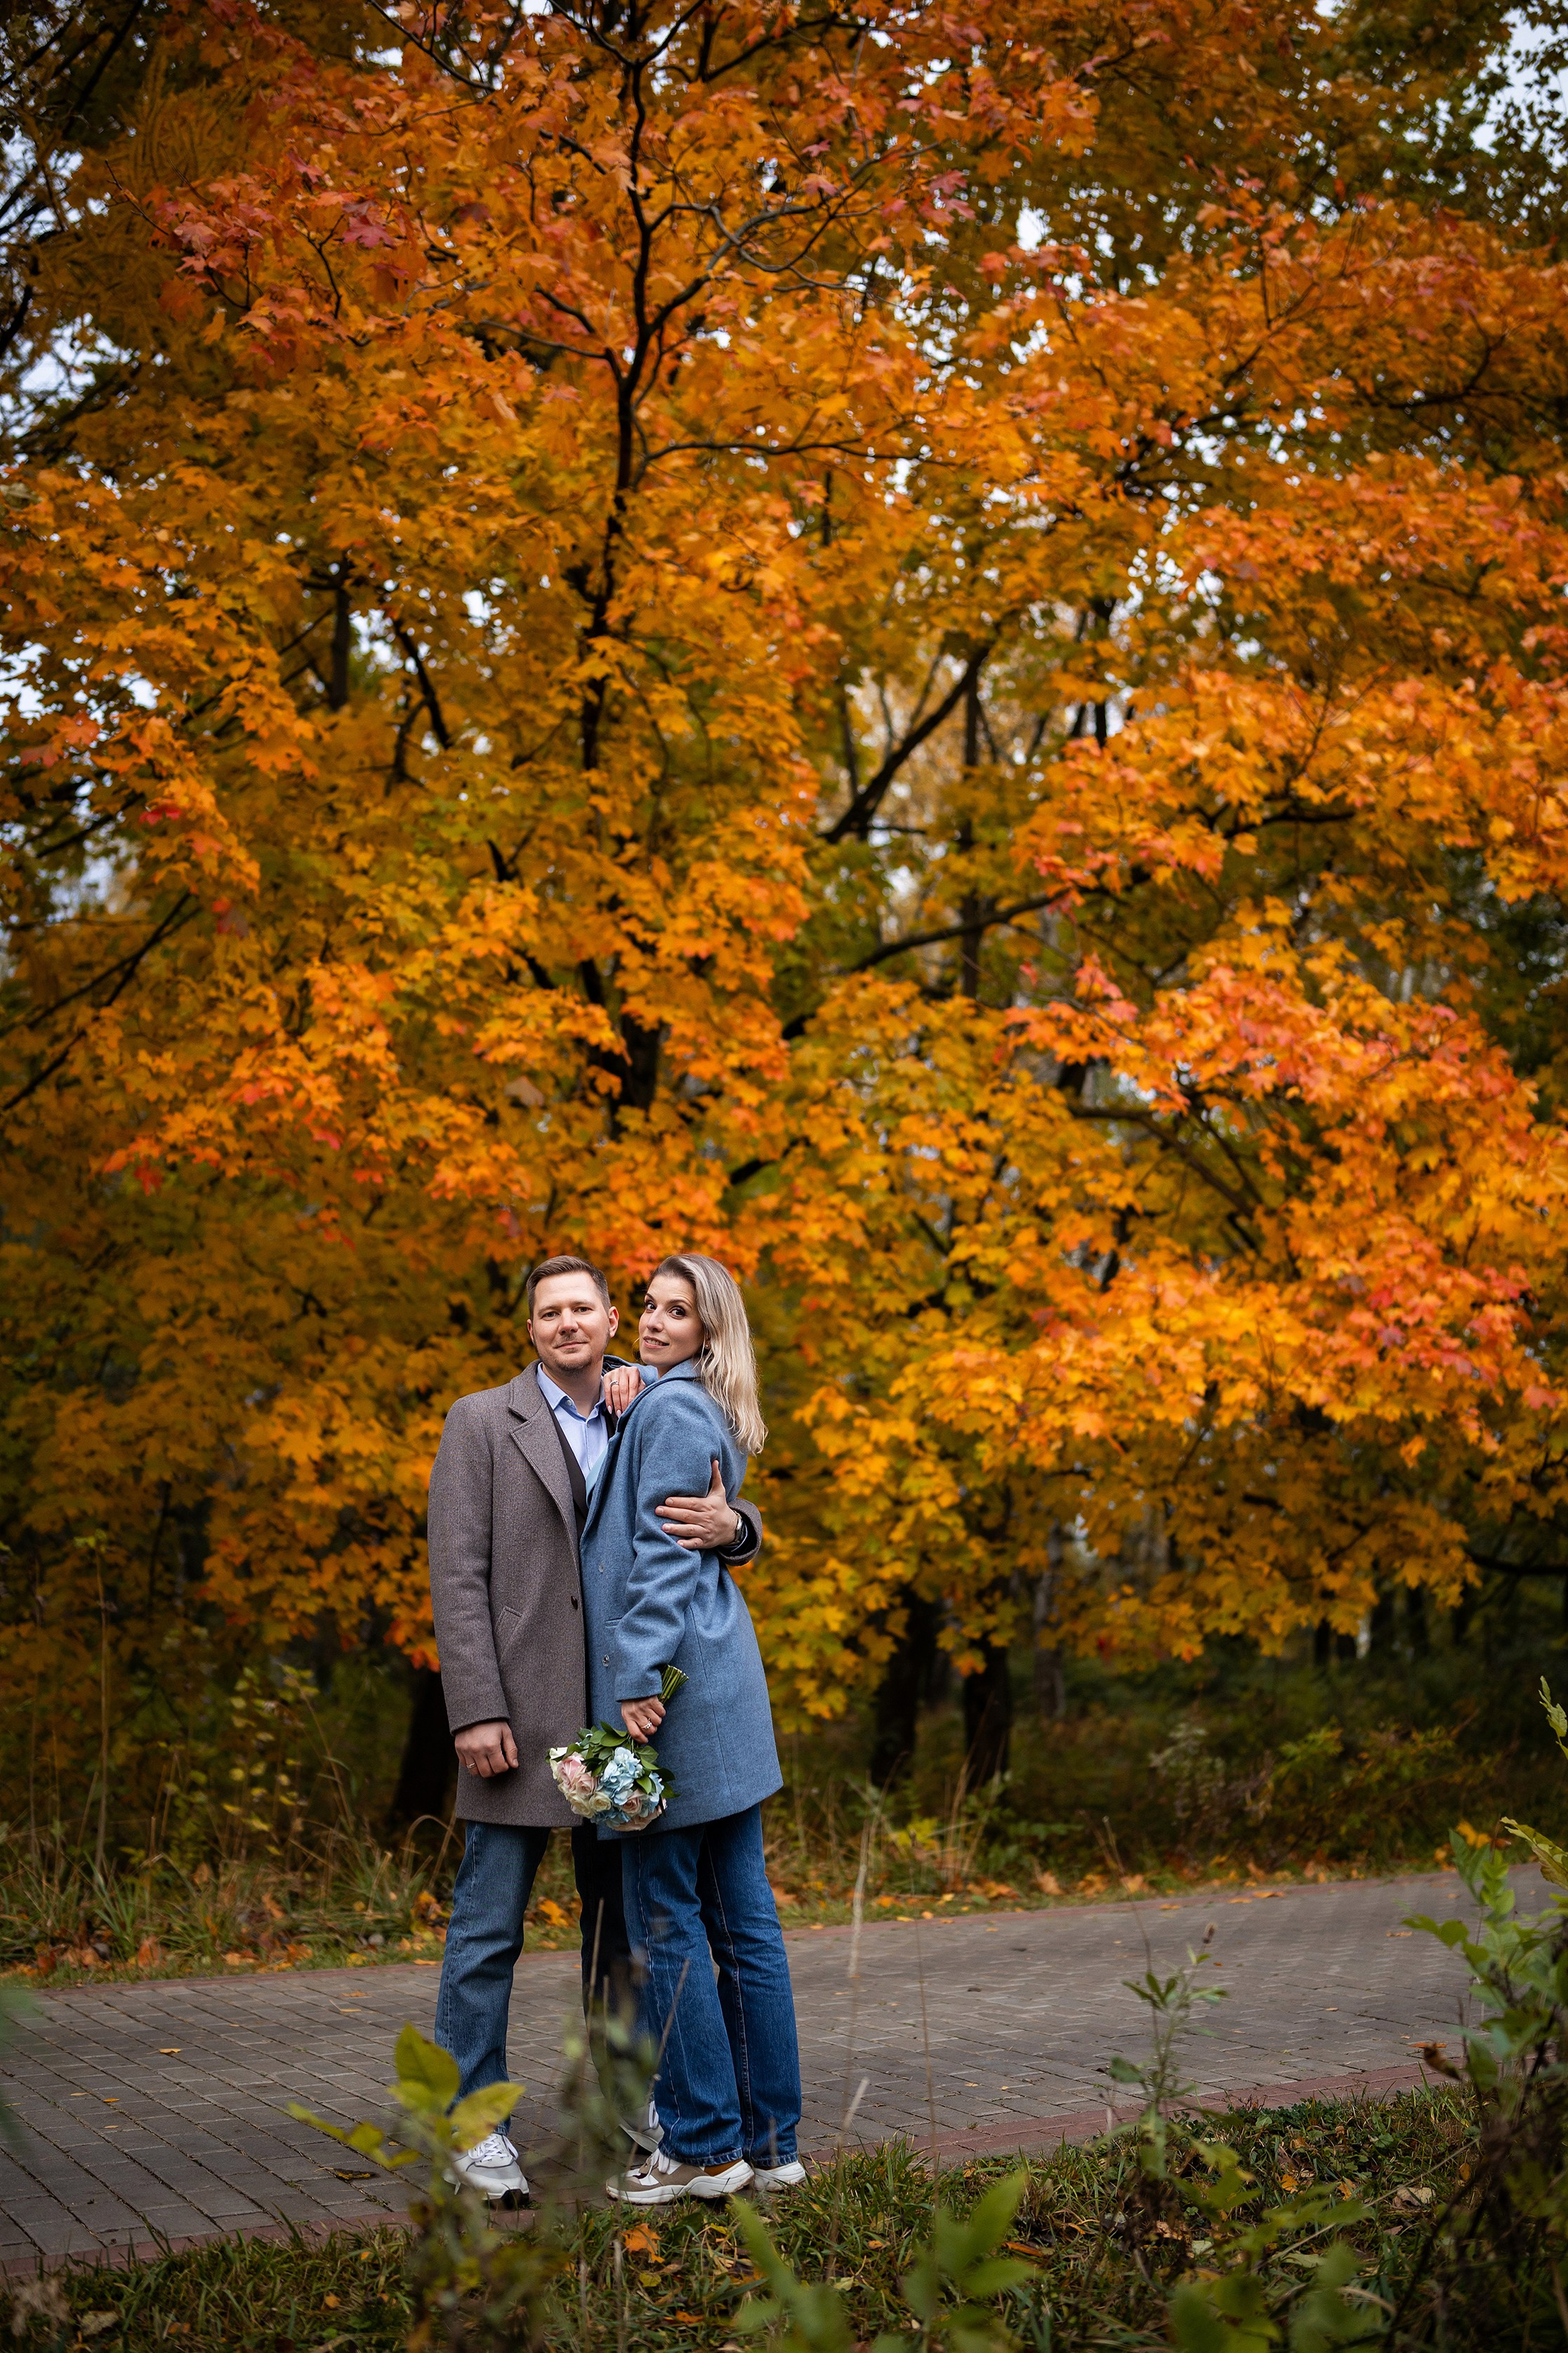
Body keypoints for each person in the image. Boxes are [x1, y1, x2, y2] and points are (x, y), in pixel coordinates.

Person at [426, 1254, 764, 2201]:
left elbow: (698, 1510)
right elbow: (457, 1578)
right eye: (548, 1312)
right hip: (519, 1717)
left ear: (611, 1319)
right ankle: (469, 2123)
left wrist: (737, 1526)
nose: (566, 1323)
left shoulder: (643, 1403)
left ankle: (630, 2093)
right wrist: (476, 1706)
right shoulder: (482, 1421)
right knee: (488, 1922)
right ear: (529, 1328)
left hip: (619, 1725)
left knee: (622, 1928)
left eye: (582, 1307)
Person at [581, 1253, 803, 2206]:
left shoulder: (669, 1407)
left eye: (680, 1309)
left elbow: (667, 1556)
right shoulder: (690, 1400)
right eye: (650, 1304)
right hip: (717, 1693)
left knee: (663, 1920)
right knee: (743, 1921)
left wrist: (633, 1677)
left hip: (669, 1694)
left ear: (711, 1329)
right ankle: (771, 2139)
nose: (657, 1319)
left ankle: (706, 2147)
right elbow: (705, 1529)